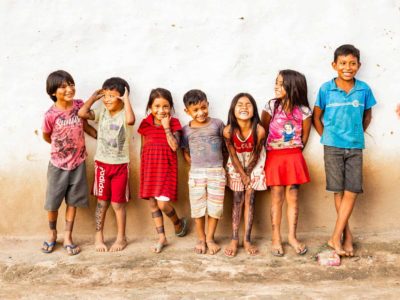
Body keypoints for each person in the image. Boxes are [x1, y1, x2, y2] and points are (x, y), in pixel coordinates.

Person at [313, 44, 377, 256]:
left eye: (352, 63)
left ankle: (335, 237)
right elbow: (316, 116)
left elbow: (367, 115)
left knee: (352, 191)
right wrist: (327, 136)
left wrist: (356, 132)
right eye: (342, 63)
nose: (347, 67)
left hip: (355, 146)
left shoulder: (364, 89)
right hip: (332, 147)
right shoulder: (325, 89)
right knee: (338, 191)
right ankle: (346, 236)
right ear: (334, 65)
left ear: (359, 65)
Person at [41, 70, 97, 255]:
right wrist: (62, 149)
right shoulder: (50, 114)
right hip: (58, 164)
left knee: (73, 201)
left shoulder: (79, 105)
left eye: (71, 84)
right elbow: (47, 136)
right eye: (63, 86)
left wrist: (98, 135)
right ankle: (52, 234)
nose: (69, 89)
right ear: (53, 92)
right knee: (52, 202)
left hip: (78, 163)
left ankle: (68, 236)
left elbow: (86, 124)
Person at [78, 77, 135, 252]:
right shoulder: (102, 111)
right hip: (102, 164)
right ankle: (99, 236)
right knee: (102, 202)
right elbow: (81, 114)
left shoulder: (125, 113)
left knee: (118, 204)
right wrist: (94, 98)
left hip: (120, 166)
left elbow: (131, 120)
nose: (108, 99)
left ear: (122, 97)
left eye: (112, 96)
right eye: (106, 95)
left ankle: (121, 238)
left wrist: (126, 100)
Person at [261, 70, 312, 257]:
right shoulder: (271, 106)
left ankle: (292, 236)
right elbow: (263, 130)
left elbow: (304, 137)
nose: (276, 86)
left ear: (292, 86)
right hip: (274, 156)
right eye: (276, 82)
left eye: (281, 83)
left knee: (293, 198)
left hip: (294, 157)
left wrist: (294, 152)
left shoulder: (304, 111)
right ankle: (276, 237)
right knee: (276, 196)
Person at [138, 88, 189, 253]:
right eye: (157, 106)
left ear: (171, 107)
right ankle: (162, 237)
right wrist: (143, 171)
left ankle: (177, 222)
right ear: (150, 107)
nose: (161, 110)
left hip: (166, 170)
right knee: (153, 204)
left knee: (162, 204)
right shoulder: (145, 124)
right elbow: (142, 148)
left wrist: (166, 128)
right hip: (149, 169)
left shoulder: (174, 123)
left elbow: (174, 146)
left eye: (165, 106)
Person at [181, 89, 226, 255]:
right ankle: (201, 238)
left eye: (203, 107)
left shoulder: (218, 124)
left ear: (208, 105)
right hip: (196, 173)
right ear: (187, 111)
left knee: (215, 207)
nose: (201, 112)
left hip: (216, 172)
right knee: (198, 206)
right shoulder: (186, 130)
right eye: (195, 110)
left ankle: (210, 238)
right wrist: (191, 162)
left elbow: (226, 147)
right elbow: (184, 150)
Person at [224, 93, 267, 257]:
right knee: (237, 199)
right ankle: (234, 238)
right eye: (239, 104)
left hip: (254, 165)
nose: (243, 107)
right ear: (233, 110)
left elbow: (256, 155)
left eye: (248, 104)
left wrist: (248, 174)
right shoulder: (228, 131)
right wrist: (242, 174)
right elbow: (233, 155)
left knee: (250, 198)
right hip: (237, 165)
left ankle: (247, 239)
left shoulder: (259, 130)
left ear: (254, 109)